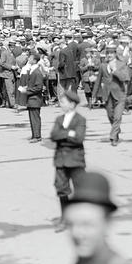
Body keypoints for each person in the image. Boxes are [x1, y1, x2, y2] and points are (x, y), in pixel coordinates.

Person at [50, 88, 86, 232]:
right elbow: (53, 135)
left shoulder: (80, 120)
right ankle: (65, 218)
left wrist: (63, 134)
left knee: (81, 190)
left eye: (63, 102)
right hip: (60, 160)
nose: (61, 104)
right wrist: (68, 133)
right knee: (62, 189)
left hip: (75, 160)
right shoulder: (59, 119)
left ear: (72, 104)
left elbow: (79, 138)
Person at [92, 47, 130, 145]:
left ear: (115, 54)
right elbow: (98, 81)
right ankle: (116, 130)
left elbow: (124, 78)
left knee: (117, 116)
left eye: (111, 53)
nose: (109, 55)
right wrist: (94, 95)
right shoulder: (103, 66)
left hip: (120, 94)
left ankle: (113, 137)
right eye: (107, 53)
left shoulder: (121, 65)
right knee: (110, 115)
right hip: (107, 95)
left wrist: (115, 70)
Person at [19, 52, 47, 143]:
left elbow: (38, 87)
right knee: (32, 118)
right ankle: (35, 135)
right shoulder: (33, 70)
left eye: (30, 58)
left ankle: (37, 136)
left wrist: (26, 91)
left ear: (34, 60)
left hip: (35, 98)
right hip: (32, 99)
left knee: (35, 118)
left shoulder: (37, 72)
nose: (29, 59)